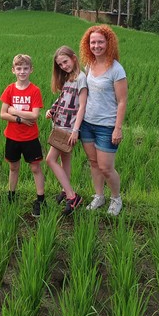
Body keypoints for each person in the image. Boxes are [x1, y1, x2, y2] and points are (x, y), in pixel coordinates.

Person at [78, 25, 128, 216]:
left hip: (107, 126)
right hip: (87, 123)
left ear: (108, 43)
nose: (96, 45)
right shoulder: (89, 65)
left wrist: (118, 128)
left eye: (100, 42)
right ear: (87, 44)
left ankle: (116, 198)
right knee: (93, 163)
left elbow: (122, 101)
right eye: (93, 42)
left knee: (107, 167)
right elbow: (83, 93)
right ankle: (99, 196)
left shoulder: (116, 69)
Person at [0, 54, 46, 217]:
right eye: (19, 68)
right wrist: (19, 118)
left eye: (26, 68)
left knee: (35, 167)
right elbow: (2, 114)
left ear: (31, 70)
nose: (22, 71)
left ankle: (41, 199)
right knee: (13, 166)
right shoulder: (10, 90)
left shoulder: (35, 91)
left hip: (30, 138)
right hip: (12, 136)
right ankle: (11, 194)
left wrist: (13, 110)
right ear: (13, 70)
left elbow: (34, 116)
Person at [45, 46, 87, 216]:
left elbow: (82, 105)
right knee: (65, 161)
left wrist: (76, 130)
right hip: (60, 124)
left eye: (65, 62)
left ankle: (72, 196)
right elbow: (63, 98)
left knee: (50, 160)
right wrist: (52, 109)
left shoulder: (81, 78)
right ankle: (65, 189)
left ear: (74, 58)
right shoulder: (69, 78)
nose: (63, 66)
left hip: (68, 128)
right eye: (60, 64)